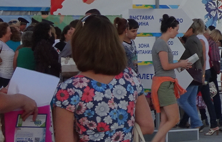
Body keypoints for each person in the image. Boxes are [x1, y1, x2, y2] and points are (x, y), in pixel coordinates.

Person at [52, 14, 154, 142]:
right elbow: (148, 126)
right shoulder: (130, 77)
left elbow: (64, 139)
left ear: (79, 44)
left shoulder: (69, 89)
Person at [149, 15, 192, 142]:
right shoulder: (161, 43)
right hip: (164, 84)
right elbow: (165, 66)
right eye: (176, 29)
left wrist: (180, 64)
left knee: (165, 120)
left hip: (164, 83)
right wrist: (180, 64)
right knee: (174, 119)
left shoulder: (161, 43)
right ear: (170, 28)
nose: (178, 32)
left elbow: (165, 66)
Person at [176, 18, 206, 130]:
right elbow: (200, 56)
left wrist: (184, 63)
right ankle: (195, 123)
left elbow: (196, 56)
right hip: (195, 72)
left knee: (182, 100)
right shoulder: (194, 39)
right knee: (191, 101)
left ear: (191, 29)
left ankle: (197, 122)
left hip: (190, 73)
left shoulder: (191, 40)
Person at [205, 29, 222, 134]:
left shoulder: (204, 41)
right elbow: (215, 58)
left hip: (203, 71)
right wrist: (217, 70)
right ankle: (218, 118)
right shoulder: (213, 44)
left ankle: (203, 118)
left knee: (201, 95)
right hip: (211, 72)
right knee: (215, 95)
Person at [0, 22, 15, 87]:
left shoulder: (3, 44)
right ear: (4, 33)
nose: (11, 33)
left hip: (5, 77)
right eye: (9, 32)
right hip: (2, 77)